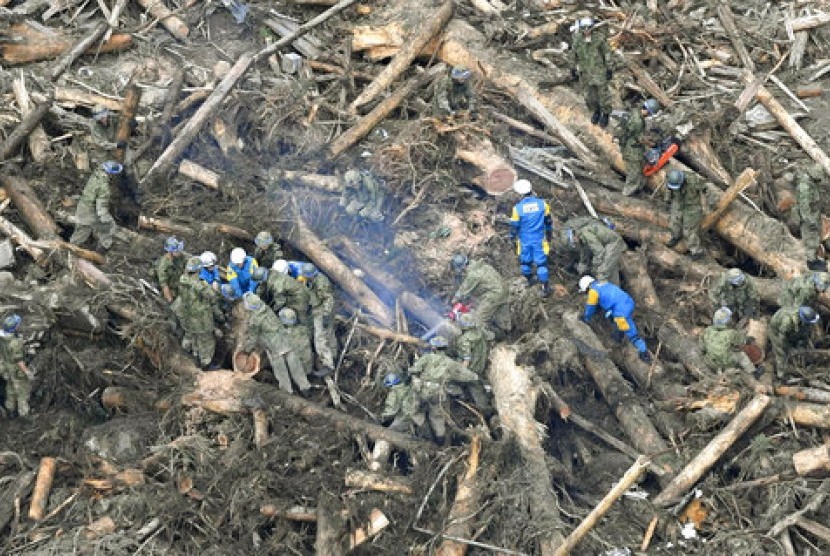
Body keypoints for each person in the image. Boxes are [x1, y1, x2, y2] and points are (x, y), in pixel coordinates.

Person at [407, 336, 482, 444]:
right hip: (437, 394)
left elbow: (413, 371)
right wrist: (476, 377)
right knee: (437, 417)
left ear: (433, 348)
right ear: (445, 348)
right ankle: (439, 441)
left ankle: (425, 433)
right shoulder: (450, 363)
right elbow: (468, 375)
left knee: (415, 412)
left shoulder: (426, 358)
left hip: (421, 391)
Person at [239, 293, 310, 394]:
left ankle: (287, 391)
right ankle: (305, 387)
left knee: (281, 371)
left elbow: (253, 338)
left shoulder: (255, 320)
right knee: (295, 365)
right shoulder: (267, 309)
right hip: (286, 342)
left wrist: (247, 349)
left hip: (273, 348)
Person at [579, 275, 652, 362]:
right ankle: (639, 347)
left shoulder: (593, 291)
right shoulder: (603, 282)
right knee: (620, 320)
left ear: (586, 288)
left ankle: (628, 343)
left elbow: (591, 306)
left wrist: (586, 318)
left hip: (620, 311)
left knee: (625, 328)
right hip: (628, 301)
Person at [174, 257, 224, 369]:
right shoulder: (200, 284)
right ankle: (205, 364)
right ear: (199, 269)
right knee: (206, 342)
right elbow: (212, 297)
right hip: (201, 319)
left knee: (194, 338)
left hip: (188, 317)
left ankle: (193, 357)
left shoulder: (183, 280)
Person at [509, 179, 554, 296]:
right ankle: (545, 288)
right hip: (539, 238)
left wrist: (512, 237)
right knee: (541, 264)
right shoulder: (542, 204)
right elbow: (548, 221)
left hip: (524, 239)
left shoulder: (517, 209)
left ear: (519, 194)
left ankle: (529, 280)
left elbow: (514, 226)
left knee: (525, 262)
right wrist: (549, 234)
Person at [450, 254, 512, 336]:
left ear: (463, 267)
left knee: (478, 320)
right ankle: (507, 334)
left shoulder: (472, 275)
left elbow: (463, 290)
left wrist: (454, 301)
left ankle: (490, 339)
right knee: (502, 317)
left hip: (493, 295)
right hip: (504, 290)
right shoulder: (483, 266)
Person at [69, 160, 122, 251]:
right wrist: (106, 218)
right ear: (112, 174)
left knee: (81, 230)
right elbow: (101, 207)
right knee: (106, 228)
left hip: (82, 206)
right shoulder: (104, 186)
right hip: (89, 211)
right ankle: (103, 250)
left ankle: (70, 247)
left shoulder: (95, 175)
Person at [571, 16, 612, 127]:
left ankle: (606, 114)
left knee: (603, 94)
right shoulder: (577, 39)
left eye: (588, 28)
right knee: (590, 96)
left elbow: (607, 54)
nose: (586, 30)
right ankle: (596, 111)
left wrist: (609, 68)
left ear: (592, 27)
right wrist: (572, 68)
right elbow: (573, 55)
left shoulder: (599, 38)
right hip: (585, 72)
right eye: (584, 28)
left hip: (598, 71)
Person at [615, 98, 661, 196]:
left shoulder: (636, 112)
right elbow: (641, 139)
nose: (649, 116)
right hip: (632, 150)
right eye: (650, 114)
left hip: (630, 144)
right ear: (648, 111)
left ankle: (638, 188)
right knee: (634, 173)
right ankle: (626, 194)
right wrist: (653, 145)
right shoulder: (638, 122)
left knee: (640, 168)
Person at [561, 217, 626, 284]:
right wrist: (582, 266)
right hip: (607, 245)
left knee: (602, 271)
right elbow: (584, 254)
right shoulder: (581, 238)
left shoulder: (586, 234)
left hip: (613, 242)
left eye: (573, 243)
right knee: (609, 267)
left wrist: (594, 266)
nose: (575, 244)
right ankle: (614, 287)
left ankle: (606, 289)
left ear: (574, 236)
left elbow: (599, 251)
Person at [301, 263, 338, 375]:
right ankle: (334, 354)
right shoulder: (313, 280)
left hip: (322, 312)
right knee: (329, 334)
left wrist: (325, 315)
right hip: (320, 310)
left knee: (320, 339)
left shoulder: (321, 282)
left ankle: (328, 365)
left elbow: (328, 299)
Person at [452, 312, 492, 409]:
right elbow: (491, 337)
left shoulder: (464, 340)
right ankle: (487, 392)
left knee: (476, 389)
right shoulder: (480, 331)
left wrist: (461, 373)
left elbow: (466, 359)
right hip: (482, 362)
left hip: (472, 368)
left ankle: (485, 409)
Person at [270, 308, 314, 395]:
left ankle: (287, 390)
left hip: (300, 368)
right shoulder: (303, 329)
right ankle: (305, 388)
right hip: (309, 366)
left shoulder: (284, 335)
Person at [700, 307, 757, 375]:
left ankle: (718, 370)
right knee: (741, 355)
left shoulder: (707, 330)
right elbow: (741, 342)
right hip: (725, 362)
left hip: (711, 361)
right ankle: (752, 372)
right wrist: (748, 340)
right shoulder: (731, 333)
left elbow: (702, 348)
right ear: (727, 321)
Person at [768, 305, 820, 378]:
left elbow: (805, 333)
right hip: (777, 332)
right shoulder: (787, 321)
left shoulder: (806, 319)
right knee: (781, 353)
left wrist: (802, 344)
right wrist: (789, 348)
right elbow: (782, 339)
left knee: (800, 346)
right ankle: (781, 374)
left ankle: (801, 365)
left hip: (791, 331)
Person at [665, 169, 705, 258]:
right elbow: (668, 189)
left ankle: (696, 251)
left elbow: (706, 189)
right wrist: (667, 199)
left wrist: (711, 203)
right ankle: (675, 236)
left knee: (689, 230)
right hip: (678, 201)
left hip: (692, 205)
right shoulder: (670, 177)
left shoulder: (693, 180)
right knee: (674, 221)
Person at [0, 314, 33, 417]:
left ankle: (10, 410)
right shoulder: (15, 342)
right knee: (22, 391)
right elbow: (19, 360)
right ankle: (24, 414)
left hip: (6, 368)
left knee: (10, 389)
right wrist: (27, 372)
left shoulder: (2, 338)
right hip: (15, 369)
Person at [795, 161, 824, 265]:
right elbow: (804, 207)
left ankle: (814, 258)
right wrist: (810, 221)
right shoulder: (805, 186)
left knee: (815, 238)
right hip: (809, 218)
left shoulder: (811, 182)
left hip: (813, 215)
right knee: (810, 239)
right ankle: (810, 262)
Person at [265, 260, 311, 325]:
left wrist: (275, 310)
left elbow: (302, 291)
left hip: (305, 285)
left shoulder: (300, 275)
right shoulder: (281, 265)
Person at [155, 236, 186, 303]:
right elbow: (164, 285)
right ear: (170, 252)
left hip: (180, 283)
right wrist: (170, 299)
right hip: (172, 288)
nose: (180, 252)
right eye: (177, 251)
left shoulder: (179, 257)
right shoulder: (163, 266)